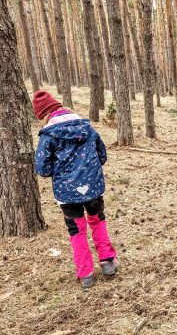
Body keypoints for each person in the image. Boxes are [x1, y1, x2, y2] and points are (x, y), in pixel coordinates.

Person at [33, 90, 118, 288]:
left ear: (45, 115)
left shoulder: (49, 136)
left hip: (66, 192)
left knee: (76, 231)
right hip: (93, 187)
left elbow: (42, 168)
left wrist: (63, 172)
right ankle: (108, 263)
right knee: (98, 222)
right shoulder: (87, 128)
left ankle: (86, 274)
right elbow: (102, 155)